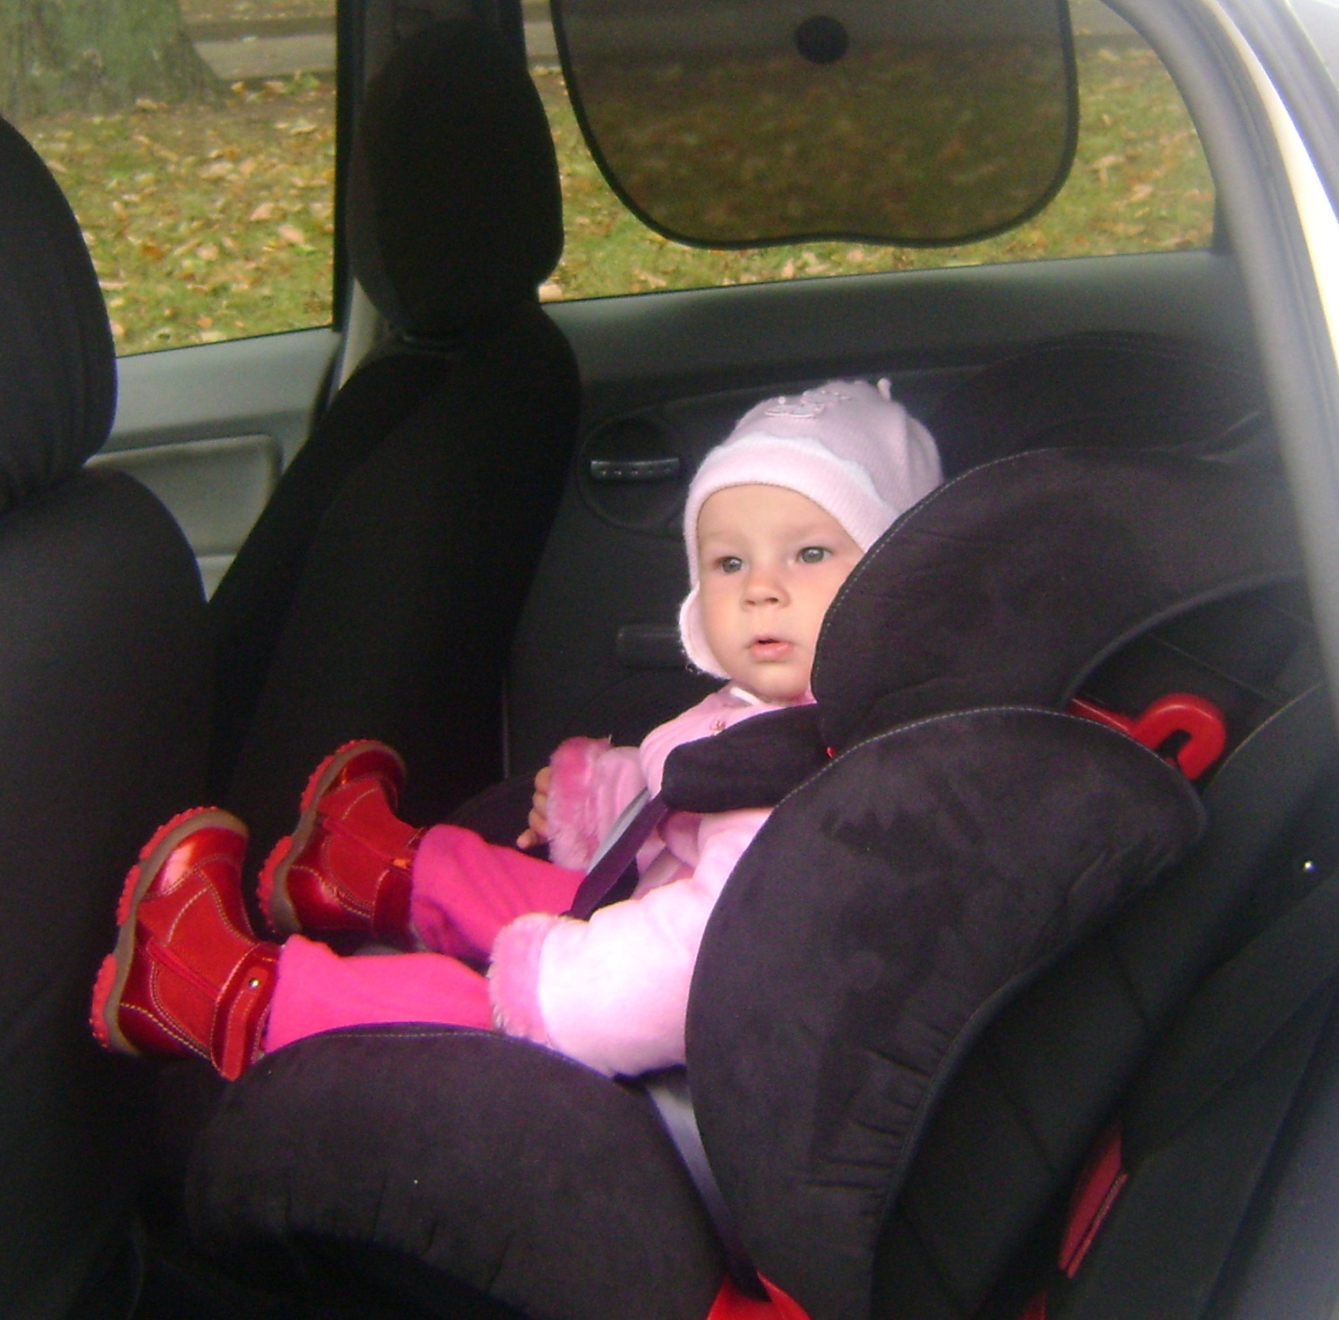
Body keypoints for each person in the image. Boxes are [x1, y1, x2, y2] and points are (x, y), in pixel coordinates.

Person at [90, 379, 942, 1080]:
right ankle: (368, 873)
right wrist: (604, 792)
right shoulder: (785, 709)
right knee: (550, 897)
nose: (760, 587)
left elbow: (713, 958)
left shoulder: (831, 782)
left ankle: (222, 995)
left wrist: (555, 986)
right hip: (662, 941)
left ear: (898, 576)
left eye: (810, 553)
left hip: (681, 1041)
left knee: (470, 1011)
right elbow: (693, 788)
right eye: (729, 561)